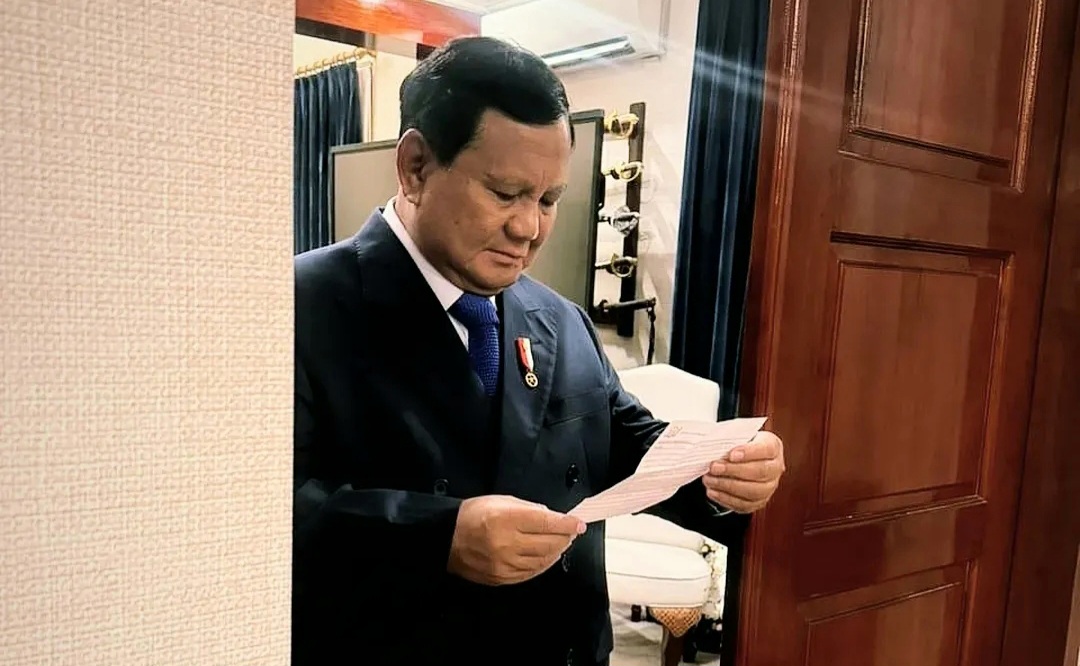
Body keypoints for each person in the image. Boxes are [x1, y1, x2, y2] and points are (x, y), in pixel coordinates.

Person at [292, 36, 785, 666]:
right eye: (504, 194)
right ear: (415, 167)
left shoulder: (559, 318)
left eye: (548, 200)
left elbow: (628, 444)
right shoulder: (301, 307)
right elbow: (263, 511)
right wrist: (438, 537)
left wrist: (723, 470)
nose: (528, 229)